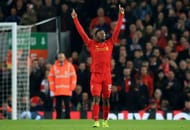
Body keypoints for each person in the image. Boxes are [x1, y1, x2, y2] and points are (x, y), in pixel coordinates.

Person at [71, 5, 124, 127]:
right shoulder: (91, 44)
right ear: (96, 36)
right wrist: (75, 19)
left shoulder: (110, 43)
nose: (103, 35)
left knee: (106, 99)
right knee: (96, 98)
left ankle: (105, 121)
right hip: (95, 76)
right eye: (101, 34)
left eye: (104, 33)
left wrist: (121, 15)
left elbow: (116, 30)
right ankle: (96, 121)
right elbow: (82, 32)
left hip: (107, 76)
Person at [48, 53, 77, 119]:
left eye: (62, 57)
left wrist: (72, 86)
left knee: (67, 105)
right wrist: (52, 88)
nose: (60, 58)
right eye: (59, 57)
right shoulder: (54, 67)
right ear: (57, 58)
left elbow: (74, 77)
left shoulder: (69, 66)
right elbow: (51, 78)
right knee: (58, 105)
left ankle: (68, 117)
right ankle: (58, 117)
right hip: (57, 90)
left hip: (67, 90)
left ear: (65, 58)